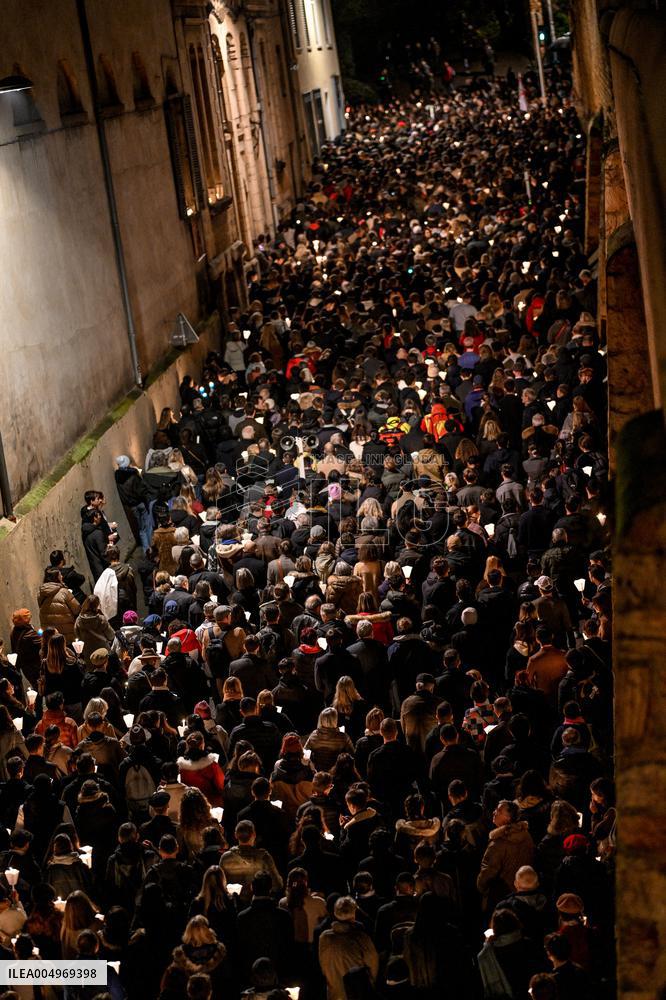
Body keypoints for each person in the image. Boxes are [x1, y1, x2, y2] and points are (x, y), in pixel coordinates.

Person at [318, 895, 379, 1000]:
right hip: (357, 992)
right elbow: (373, 965)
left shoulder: (324, 938)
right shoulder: (361, 938)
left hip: (335, 993)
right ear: (353, 913)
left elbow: (323, 966)